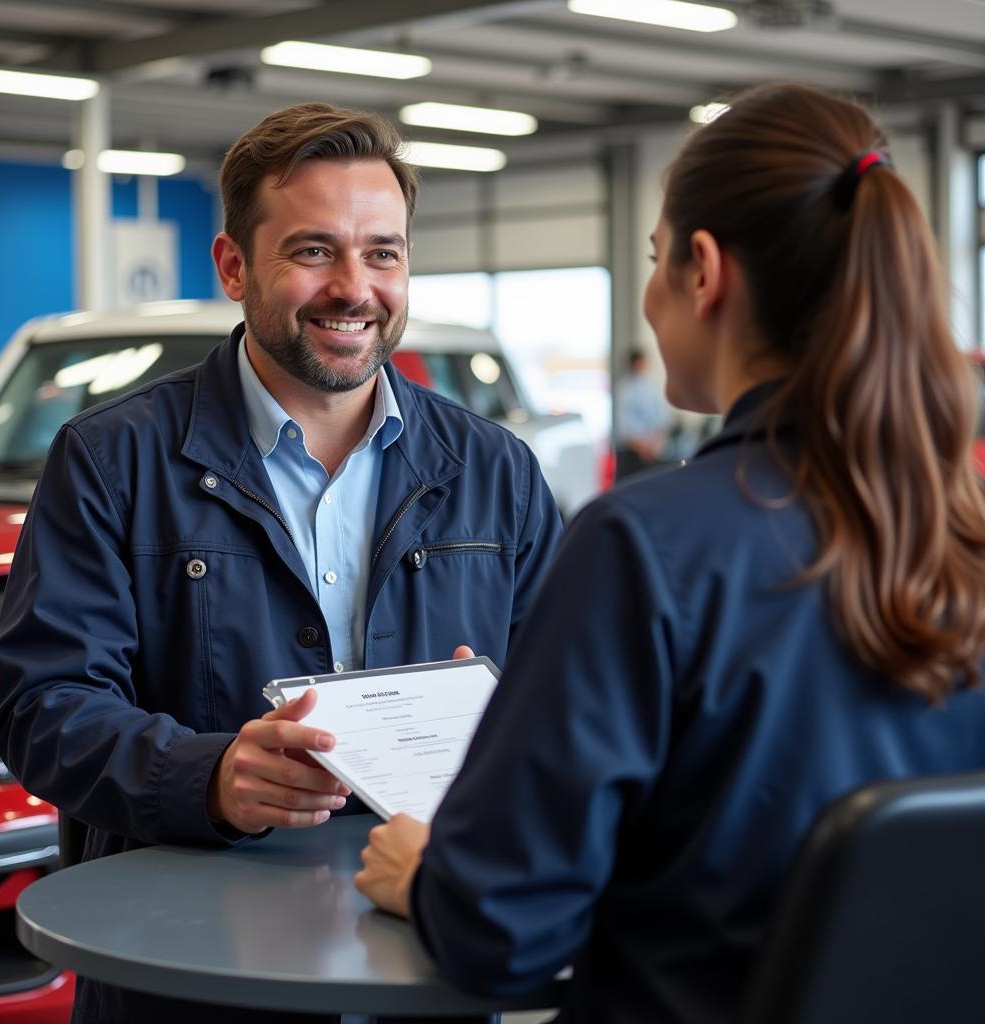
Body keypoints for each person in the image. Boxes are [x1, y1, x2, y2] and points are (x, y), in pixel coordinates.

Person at [353, 83, 985, 1024]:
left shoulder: (644, 547)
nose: (649, 297)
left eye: (652, 261)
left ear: (703, 269)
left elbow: (506, 930)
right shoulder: (962, 538)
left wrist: (427, 876)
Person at [0, 102, 562, 1024]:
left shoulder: (497, 473)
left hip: (426, 972)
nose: (354, 286)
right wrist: (207, 776)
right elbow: (42, 708)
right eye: (313, 251)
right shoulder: (111, 460)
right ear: (233, 266)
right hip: (184, 982)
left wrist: (498, 722)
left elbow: (566, 709)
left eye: (383, 252)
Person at [613, 347, 672, 478]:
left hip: (652, 451)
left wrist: (653, 442)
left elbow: (663, 419)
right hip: (631, 453)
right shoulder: (624, 389)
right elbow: (623, 427)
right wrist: (641, 446)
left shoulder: (652, 387)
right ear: (632, 364)